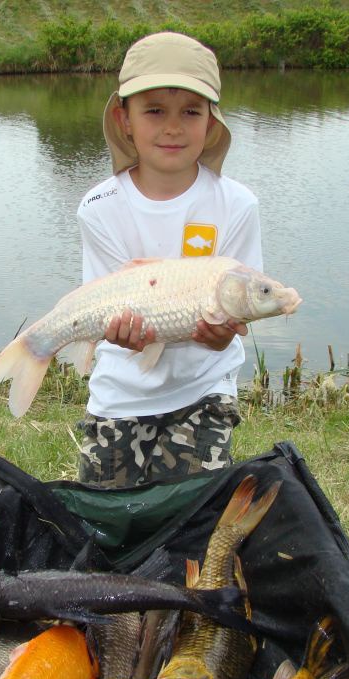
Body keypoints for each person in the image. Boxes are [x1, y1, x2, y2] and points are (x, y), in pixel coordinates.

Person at [76, 31, 264, 488]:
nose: (173, 127)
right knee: (104, 522)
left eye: (191, 112)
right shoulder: (98, 207)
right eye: (154, 110)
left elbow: (242, 310)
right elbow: (101, 311)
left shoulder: (237, 205)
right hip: (119, 392)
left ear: (211, 122)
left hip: (204, 391)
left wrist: (222, 338)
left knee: (190, 517)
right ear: (125, 120)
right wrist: (120, 334)